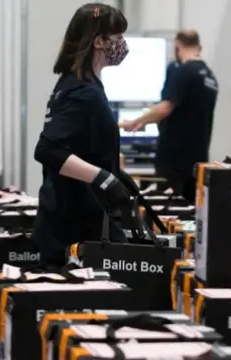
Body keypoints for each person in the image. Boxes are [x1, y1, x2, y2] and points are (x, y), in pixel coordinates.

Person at [32, 3, 132, 267]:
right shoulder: (83, 92)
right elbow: (48, 150)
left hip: (68, 220)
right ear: (100, 41)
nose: (122, 44)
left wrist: (116, 174)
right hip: (74, 230)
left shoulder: (72, 83)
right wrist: (104, 179)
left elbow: (79, 145)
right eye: (118, 37)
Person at [120, 30, 218, 201]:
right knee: (187, 210)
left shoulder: (183, 71)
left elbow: (166, 107)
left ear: (177, 46)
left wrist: (136, 121)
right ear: (199, 46)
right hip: (197, 160)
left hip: (174, 161)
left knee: (167, 212)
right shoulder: (210, 77)